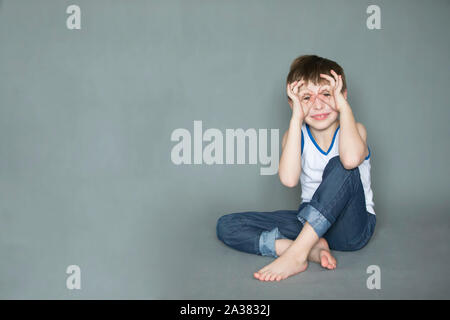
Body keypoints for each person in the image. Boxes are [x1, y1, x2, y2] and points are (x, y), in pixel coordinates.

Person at [216, 54, 376, 282]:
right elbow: (289, 179)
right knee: (228, 225)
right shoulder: (295, 136)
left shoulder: (355, 130)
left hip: (351, 228)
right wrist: (295, 120)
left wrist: (343, 106)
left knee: (341, 165)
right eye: (307, 98)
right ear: (294, 103)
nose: (318, 104)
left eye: (327, 94)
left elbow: (350, 161)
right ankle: (306, 248)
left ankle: (296, 254)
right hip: (309, 221)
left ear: (342, 96)